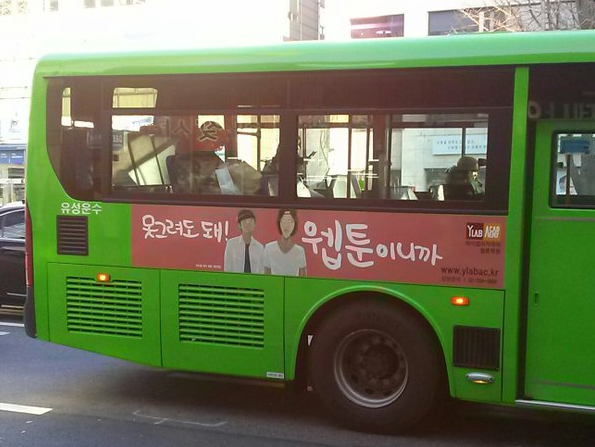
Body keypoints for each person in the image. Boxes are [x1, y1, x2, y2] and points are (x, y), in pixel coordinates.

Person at [263, 209, 307, 276]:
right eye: (283, 221)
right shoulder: (269, 248)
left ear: (295, 224)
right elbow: (266, 276)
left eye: (290, 221)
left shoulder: (300, 251)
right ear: (279, 223)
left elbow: (303, 278)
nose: (286, 225)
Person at [223, 209, 264, 273]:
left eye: (251, 220)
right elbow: (227, 268)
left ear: (254, 224)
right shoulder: (231, 244)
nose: (248, 223)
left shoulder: (260, 247)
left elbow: (261, 271)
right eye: (244, 221)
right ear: (239, 225)